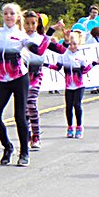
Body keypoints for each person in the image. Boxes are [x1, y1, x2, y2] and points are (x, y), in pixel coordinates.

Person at [0, 3, 56, 167]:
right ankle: (8, 147)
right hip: (3, 80)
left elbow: (37, 51)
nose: (8, 16)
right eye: (5, 13)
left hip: (19, 79)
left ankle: (24, 152)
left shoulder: (22, 35)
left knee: (19, 116)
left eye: (12, 13)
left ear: (17, 17)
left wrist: (47, 36)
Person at [22, 11, 66, 149]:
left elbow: (62, 50)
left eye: (33, 23)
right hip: (20, 75)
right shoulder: (18, 37)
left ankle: (36, 136)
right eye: (27, 23)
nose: (30, 26)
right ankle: (27, 133)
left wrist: (66, 40)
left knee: (31, 102)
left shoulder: (42, 38)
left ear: (38, 24)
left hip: (35, 75)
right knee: (23, 108)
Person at [45, 30, 99, 139]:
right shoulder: (64, 55)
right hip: (69, 85)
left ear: (78, 44)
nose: (72, 46)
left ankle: (79, 127)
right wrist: (46, 65)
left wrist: (93, 63)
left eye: (75, 44)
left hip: (79, 85)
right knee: (68, 107)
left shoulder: (81, 56)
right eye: (70, 44)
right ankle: (70, 127)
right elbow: (57, 67)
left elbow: (84, 70)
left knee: (77, 105)